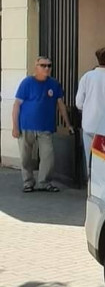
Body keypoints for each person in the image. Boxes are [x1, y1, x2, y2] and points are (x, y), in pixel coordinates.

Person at [12, 56, 74, 193]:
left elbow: (60, 104)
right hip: (26, 126)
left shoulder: (54, 84)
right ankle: (28, 182)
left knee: (48, 156)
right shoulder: (27, 83)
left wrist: (68, 124)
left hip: (45, 127)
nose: (46, 68)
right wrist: (15, 127)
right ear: (36, 67)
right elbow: (16, 105)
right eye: (43, 65)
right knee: (25, 157)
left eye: (49, 65)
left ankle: (44, 182)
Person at [76, 47, 105, 175]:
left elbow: (78, 103)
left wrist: (88, 109)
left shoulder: (87, 77)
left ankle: (90, 182)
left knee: (89, 160)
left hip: (89, 125)